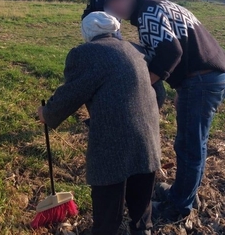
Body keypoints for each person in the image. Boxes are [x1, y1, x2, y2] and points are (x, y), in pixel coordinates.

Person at [104, 0, 225, 221]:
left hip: (201, 80)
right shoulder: (158, 4)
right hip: (209, 77)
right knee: (193, 143)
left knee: (189, 146)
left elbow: (171, 52)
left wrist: (144, 83)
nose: (114, 12)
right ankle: (185, 193)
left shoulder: (147, 13)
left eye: (113, 5)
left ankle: (179, 207)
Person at [37, 12, 161, 235]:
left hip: (113, 141)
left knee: (108, 207)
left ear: (87, 34)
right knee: (141, 199)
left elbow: (71, 93)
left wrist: (47, 113)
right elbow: (157, 93)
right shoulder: (136, 50)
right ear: (114, 30)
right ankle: (143, 230)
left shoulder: (86, 53)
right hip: (148, 135)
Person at [81, 0, 167, 109]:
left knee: (110, 75)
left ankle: (141, 104)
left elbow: (109, 17)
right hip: (100, 35)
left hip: (108, 35)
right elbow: (90, 12)